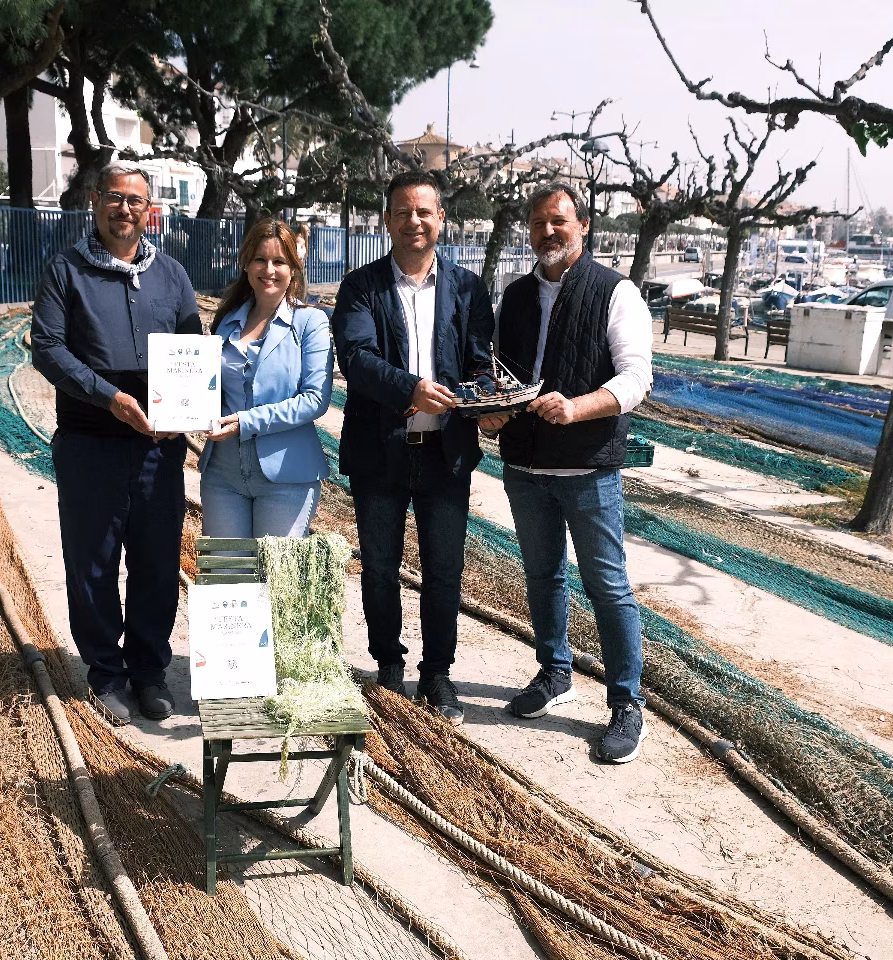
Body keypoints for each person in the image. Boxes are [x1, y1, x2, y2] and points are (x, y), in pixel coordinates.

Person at [478, 182, 653, 763]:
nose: (547, 232)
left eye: (558, 221)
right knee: (543, 575)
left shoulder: (615, 292)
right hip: (525, 465)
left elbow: (636, 380)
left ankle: (627, 703)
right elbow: (499, 375)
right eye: (537, 223)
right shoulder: (517, 295)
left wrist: (578, 407)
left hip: (587, 468)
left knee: (607, 585)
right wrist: (491, 414)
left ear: (582, 226)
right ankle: (554, 671)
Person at [30, 160, 199, 724]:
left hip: (157, 447)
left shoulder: (171, 274)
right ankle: (106, 672)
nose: (125, 209)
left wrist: (188, 403)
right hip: (91, 443)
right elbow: (49, 349)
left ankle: (149, 671)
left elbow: (191, 345)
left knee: (155, 563)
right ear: (95, 202)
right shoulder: (65, 270)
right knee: (94, 563)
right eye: (114, 197)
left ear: (149, 211)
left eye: (136, 201)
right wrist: (111, 399)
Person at [331, 170, 496, 724]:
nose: (414, 221)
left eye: (424, 211)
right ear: (387, 221)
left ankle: (438, 673)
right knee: (379, 566)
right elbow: (355, 359)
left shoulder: (469, 289)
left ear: (441, 219)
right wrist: (410, 388)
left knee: (444, 569)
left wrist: (485, 401)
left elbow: (480, 361)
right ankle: (388, 664)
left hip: (445, 452)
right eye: (403, 212)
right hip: (382, 448)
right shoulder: (360, 288)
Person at [200, 219, 332, 539]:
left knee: (274, 585)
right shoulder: (226, 320)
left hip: (287, 479)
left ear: (293, 269)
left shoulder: (310, 322)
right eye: (260, 259)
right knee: (228, 581)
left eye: (279, 261)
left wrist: (248, 421)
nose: (269, 269)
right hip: (222, 476)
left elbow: (315, 400)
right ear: (246, 263)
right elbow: (207, 388)